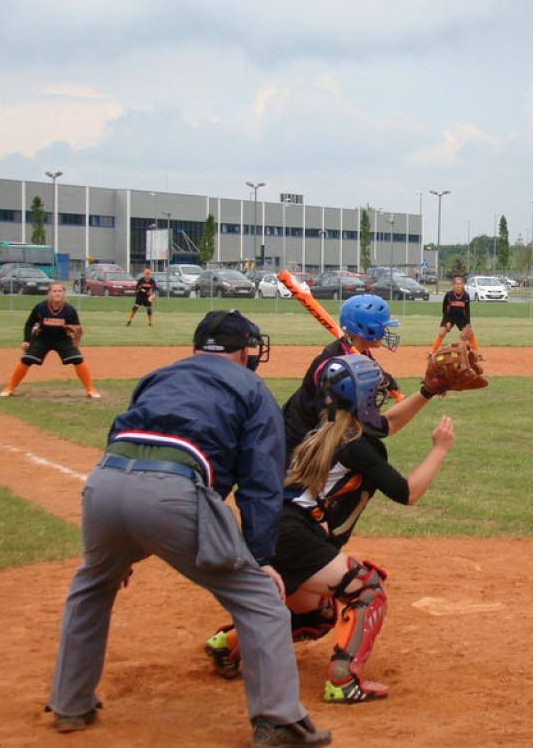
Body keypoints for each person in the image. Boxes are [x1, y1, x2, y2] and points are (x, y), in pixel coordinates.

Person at [45, 310, 331, 746]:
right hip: (172, 493)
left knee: (91, 586)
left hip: (104, 485)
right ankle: (278, 721)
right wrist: (261, 558)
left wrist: (116, 550)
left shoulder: (159, 376)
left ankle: (70, 704)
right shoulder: (252, 387)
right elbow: (260, 483)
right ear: (243, 351)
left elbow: (123, 433)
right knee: (261, 601)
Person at [205, 354, 455, 704]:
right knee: (368, 588)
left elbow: (387, 425)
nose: (378, 399)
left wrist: (426, 391)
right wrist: (440, 448)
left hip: (273, 532)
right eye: (373, 394)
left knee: (317, 616)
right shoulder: (358, 447)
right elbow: (408, 493)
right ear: (363, 401)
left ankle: (229, 644)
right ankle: (343, 679)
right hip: (291, 535)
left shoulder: (327, 431)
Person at [282, 294, 418, 468]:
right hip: (296, 440)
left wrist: (383, 378)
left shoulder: (358, 353)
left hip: (319, 438)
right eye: (382, 327)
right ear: (365, 329)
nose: (385, 332)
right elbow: (333, 418)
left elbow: (371, 370)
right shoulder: (332, 364)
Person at [0, 282, 100, 399]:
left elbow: (77, 328)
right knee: (26, 359)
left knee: (77, 359)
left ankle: (90, 390)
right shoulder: (41, 307)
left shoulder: (69, 310)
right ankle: (10, 388)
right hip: (42, 338)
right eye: (54, 291)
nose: (57, 293)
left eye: (60, 291)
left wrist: (74, 336)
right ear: (49, 294)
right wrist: (27, 340)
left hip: (63, 339)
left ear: (64, 294)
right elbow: (29, 324)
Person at [431, 275, 477, 353]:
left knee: (470, 333)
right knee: (441, 333)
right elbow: (444, 310)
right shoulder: (449, 295)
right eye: (456, 284)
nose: (458, 286)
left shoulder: (466, 296)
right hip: (450, 317)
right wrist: (447, 321)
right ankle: (432, 353)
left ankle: (477, 354)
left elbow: (467, 311)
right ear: (453, 285)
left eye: (460, 284)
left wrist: (468, 323)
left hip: (461, 318)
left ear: (462, 285)